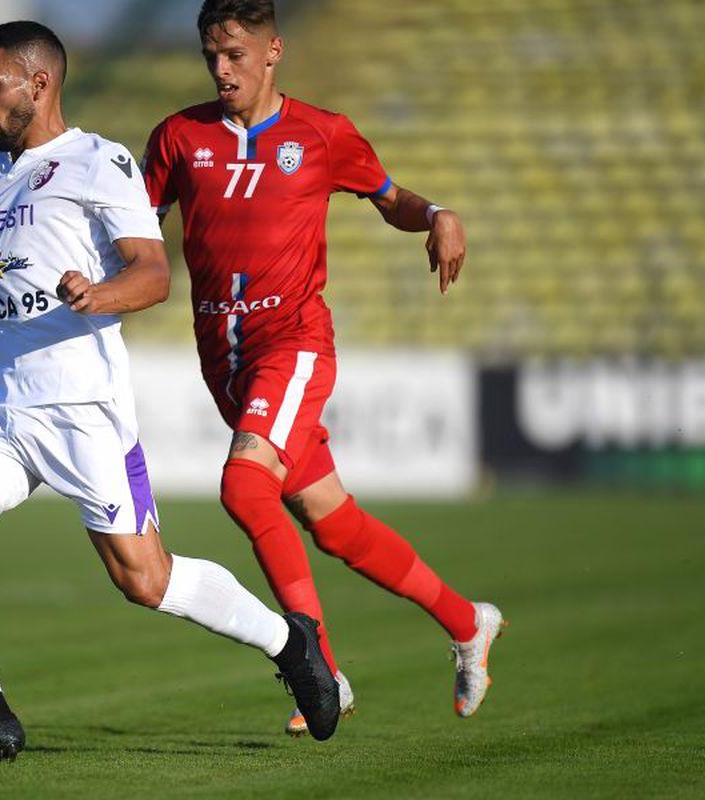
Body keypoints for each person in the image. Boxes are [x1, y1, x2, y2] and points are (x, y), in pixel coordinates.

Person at [0, 20, 342, 764]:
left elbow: (153, 273)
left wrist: (99, 294)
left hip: (84, 410)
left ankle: (289, 640)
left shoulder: (99, 162)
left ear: (39, 83)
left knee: (145, 579)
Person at [141, 0, 506, 736]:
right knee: (331, 522)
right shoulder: (179, 136)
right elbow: (134, 229)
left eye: (235, 55)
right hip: (223, 354)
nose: (221, 70)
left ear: (273, 51)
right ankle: (469, 622)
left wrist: (437, 212)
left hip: (293, 340)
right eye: (211, 55)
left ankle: (320, 673)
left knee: (245, 488)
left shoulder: (321, 133)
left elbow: (390, 198)